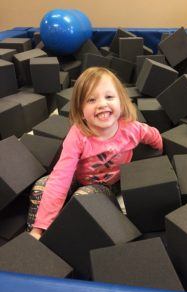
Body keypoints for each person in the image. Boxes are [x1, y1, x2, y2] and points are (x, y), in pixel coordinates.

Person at [28, 67, 163, 240]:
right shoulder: (77, 135)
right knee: (41, 187)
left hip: (106, 186)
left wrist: (160, 158)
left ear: (121, 101)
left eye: (109, 97)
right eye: (91, 100)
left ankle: (62, 237)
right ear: (81, 110)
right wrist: (39, 228)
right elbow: (61, 176)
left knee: (83, 198)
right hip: (77, 178)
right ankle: (35, 236)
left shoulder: (132, 128)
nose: (101, 104)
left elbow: (154, 137)